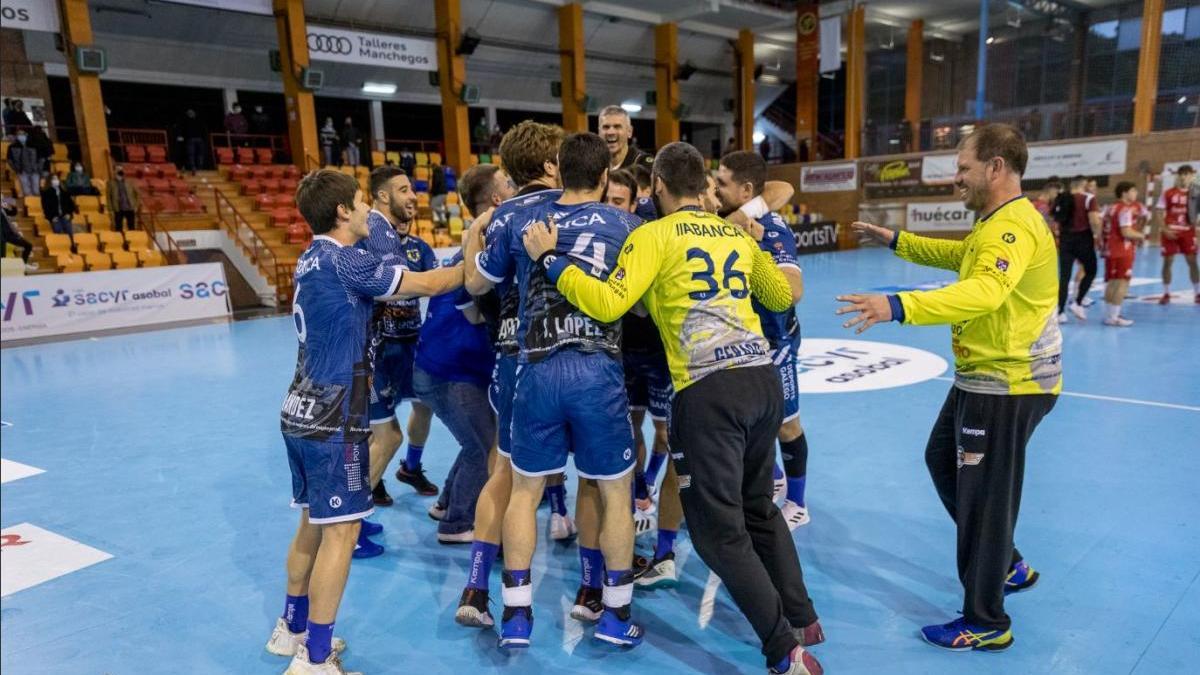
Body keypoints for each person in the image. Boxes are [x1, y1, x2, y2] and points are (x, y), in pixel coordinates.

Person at [526, 141, 824, 675]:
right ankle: (804, 618)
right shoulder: (733, 232)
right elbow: (780, 297)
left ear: (658, 186)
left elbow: (607, 302)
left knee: (717, 531)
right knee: (758, 507)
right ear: (703, 184)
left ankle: (784, 649)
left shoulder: (653, 235)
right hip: (762, 381)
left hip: (708, 391)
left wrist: (551, 262)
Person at [838, 123, 1060, 653]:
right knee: (943, 460)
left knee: (983, 500)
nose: (955, 178)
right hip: (981, 378)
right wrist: (897, 241)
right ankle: (1007, 562)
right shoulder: (994, 223)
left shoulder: (1011, 229)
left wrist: (896, 306)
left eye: (963, 168)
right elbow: (961, 261)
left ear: (996, 167)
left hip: (1006, 384)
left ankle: (986, 619)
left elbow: (983, 291)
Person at [266, 169, 464, 675]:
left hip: (300, 407)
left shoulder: (310, 257)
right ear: (342, 213)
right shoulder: (345, 261)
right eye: (360, 203)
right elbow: (429, 282)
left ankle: (291, 629)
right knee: (344, 531)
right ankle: (314, 660)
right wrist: (476, 252)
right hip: (336, 415)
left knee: (313, 520)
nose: (366, 212)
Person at [468, 131, 644, 650]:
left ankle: (517, 617)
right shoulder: (630, 226)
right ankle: (613, 614)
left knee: (525, 490)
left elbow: (477, 285)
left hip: (536, 370)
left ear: (558, 170)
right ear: (607, 176)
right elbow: (637, 308)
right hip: (598, 372)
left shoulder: (520, 219)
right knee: (612, 491)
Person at [453, 122, 565, 630]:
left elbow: (475, 282)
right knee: (600, 480)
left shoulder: (500, 217)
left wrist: (475, 231)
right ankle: (604, 591)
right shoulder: (576, 205)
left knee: (506, 473)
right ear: (549, 164)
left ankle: (477, 588)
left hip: (511, 352)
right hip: (567, 353)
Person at [715, 151, 809, 530]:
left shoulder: (770, 230)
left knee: (787, 424)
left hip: (776, 341)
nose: (716, 189)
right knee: (756, 422)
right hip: (747, 340)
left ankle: (799, 504)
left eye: (722, 183)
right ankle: (774, 479)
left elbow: (793, 290)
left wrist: (757, 251)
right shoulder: (729, 219)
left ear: (746, 189)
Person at [354, 167, 440, 555]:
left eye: (413, 189)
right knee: (384, 436)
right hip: (377, 354)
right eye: (404, 189)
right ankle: (352, 514)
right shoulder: (368, 240)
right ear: (382, 197)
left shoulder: (420, 249)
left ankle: (406, 470)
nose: (413, 195)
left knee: (423, 408)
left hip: (412, 348)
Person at [1052, 175, 1100, 321]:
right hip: (1083, 238)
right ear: (1084, 184)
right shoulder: (1088, 198)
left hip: (1065, 239)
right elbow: (1094, 220)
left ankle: (1060, 312)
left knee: (1064, 277)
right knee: (1091, 270)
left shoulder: (1061, 197)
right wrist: (1097, 235)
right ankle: (1078, 302)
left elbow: (1056, 218)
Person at [1101, 181, 1148, 326]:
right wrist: (1141, 236)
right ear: (1124, 193)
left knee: (1112, 282)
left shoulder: (1111, 207)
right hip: (1123, 249)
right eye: (1133, 191)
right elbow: (1126, 231)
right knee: (1122, 282)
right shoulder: (1126, 209)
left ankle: (1110, 316)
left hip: (1110, 249)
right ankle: (1115, 317)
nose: (1135, 194)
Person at [1155, 164, 1199, 304]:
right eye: (1182, 174)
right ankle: (1166, 293)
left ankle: (1197, 293)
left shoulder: (1196, 193)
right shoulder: (1168, 193)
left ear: (1192, 176)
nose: (1184, 177)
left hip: (1188, 231)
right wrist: (1164, 229)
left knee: (1192, 262)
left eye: (1187, 174)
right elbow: (1159, 212)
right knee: (1168, 262)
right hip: (1171, 231)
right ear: (1177, 176)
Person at [598, 105, 654, 172]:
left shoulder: (642, 164)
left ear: (629, 131)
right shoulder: (594, 164)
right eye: (606, 127)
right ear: (599, 132)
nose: (611, 132)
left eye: (617, 127)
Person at [7, 130, 41, 198]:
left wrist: (38, 167)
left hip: (35, 171)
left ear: (26, 135)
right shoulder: (12, 147)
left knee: (37, 191)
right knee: (27, 192)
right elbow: (9, 160)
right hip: (22, 171)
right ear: (16, 136)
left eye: (22, 134)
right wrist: (16, 168)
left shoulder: (34, 145)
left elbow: (40, 157)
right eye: (19, 134)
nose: (21, 136)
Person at [107, 167, 141, 233]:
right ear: (114, 172)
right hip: (118, 208)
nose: (119, 171)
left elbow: (138, 193)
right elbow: (109, 197)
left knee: (131, 227)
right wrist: (110, 209)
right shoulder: (110, 183)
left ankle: (132, 239)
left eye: (120, 170)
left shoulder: (130, 182)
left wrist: (136, 205)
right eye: (117, 170)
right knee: (118, 228)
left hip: (130, 207)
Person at [179, 109, 207, 174]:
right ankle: (197, 168)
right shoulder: (198, 121)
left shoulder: (187, 121)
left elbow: (183, 131)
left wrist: (182, 137)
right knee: (197, 154)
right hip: (196, 139)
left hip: (193, 139)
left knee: (193, 154)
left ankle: (194, 167)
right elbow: (204, 130)